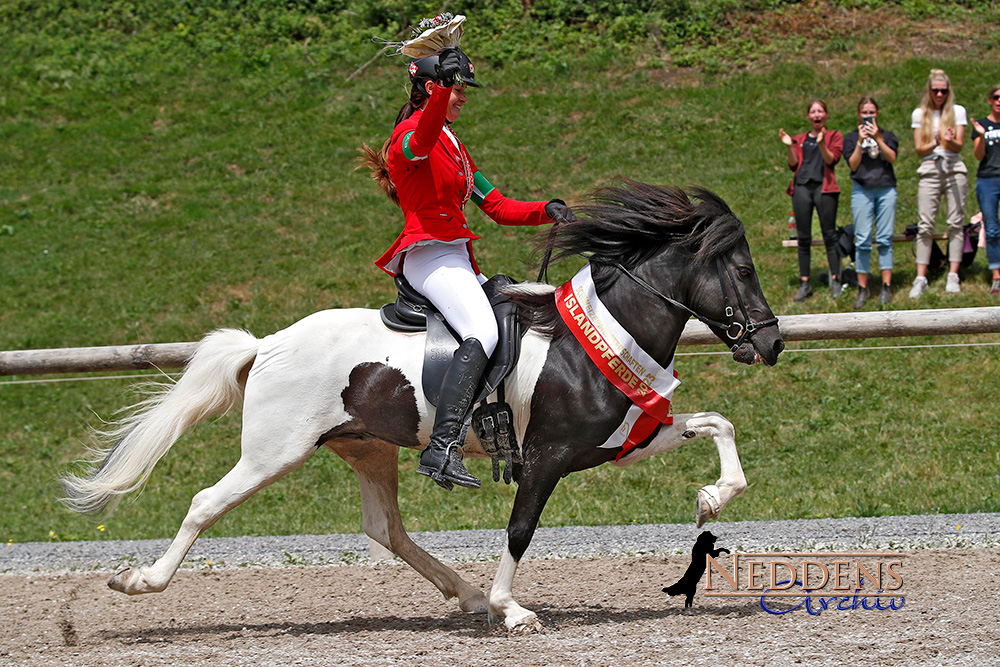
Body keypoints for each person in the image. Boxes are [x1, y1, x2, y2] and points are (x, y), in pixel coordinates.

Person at [359, 43, 569, 490]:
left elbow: (495, 205)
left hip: (456, 255)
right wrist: (439, 94)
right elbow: (423, 138)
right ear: (432, 88)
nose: (463, 97)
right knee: (484, 331)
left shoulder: (455, 147)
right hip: (428, 254)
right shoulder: (408, 139)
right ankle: (442, 446)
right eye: (457, 89)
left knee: (514, 314)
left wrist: (545, 209)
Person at [909, 69, 968, 298]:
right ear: (929, 91)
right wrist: (935, 141)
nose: (940, 94)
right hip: (930, 168)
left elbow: (959, 147)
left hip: (954, 168)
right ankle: (921, 277)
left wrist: (950, 141)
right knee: (925, 225)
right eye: (936, 90)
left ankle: (953, 275)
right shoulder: (919, 114)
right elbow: (918, 150)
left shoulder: (957, 111)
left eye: (944, 90)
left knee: (956, 222)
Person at [780, 99, 844, 301]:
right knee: (803, 238)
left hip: (824, 189)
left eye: (820, 111)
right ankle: (805, 283)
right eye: (813, 112)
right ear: (808, 116)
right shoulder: (799, 139)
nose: (817, 115)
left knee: (829, 235)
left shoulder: (834, 136)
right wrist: (790, 147)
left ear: (826, 115)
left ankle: (835, 279)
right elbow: (793, 165)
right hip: (801, 189)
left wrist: (821, 143)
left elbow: (831, 159)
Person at [843, 96, 899, 307]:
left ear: (877, 114)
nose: (868, 116)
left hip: (886, 190)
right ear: (859, 114)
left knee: (885, 239)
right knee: (863, 239)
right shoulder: (851, 138)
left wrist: (878, 138)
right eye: (865, 112)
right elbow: (853, 165)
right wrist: (860, 141)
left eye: (872, 112)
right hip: (862, 191)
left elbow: (892, 158)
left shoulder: (888, 135)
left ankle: (886, 287)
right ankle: (862, 288)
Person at [970, 83, 1000, 296]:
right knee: (992, 229)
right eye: (996, 97)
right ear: (990, 100)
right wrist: (980, 136)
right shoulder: (980, 124)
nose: (999, 100)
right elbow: (978, 156)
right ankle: (996, 276)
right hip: (988, 180)